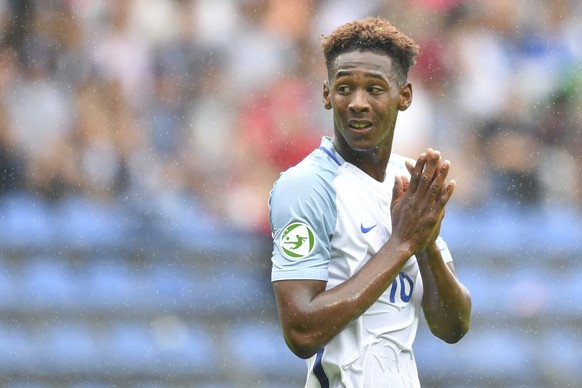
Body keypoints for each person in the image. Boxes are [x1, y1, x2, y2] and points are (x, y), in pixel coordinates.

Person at [268, 17, 472, 387]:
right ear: (327, 94)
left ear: (404, 96)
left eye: (375, 89)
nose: (358, 103)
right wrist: (401, 244)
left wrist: (425, 246)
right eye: (345, 88)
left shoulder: (408, 186)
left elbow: (453, 326)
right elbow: (300, 332)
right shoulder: (307, 186)